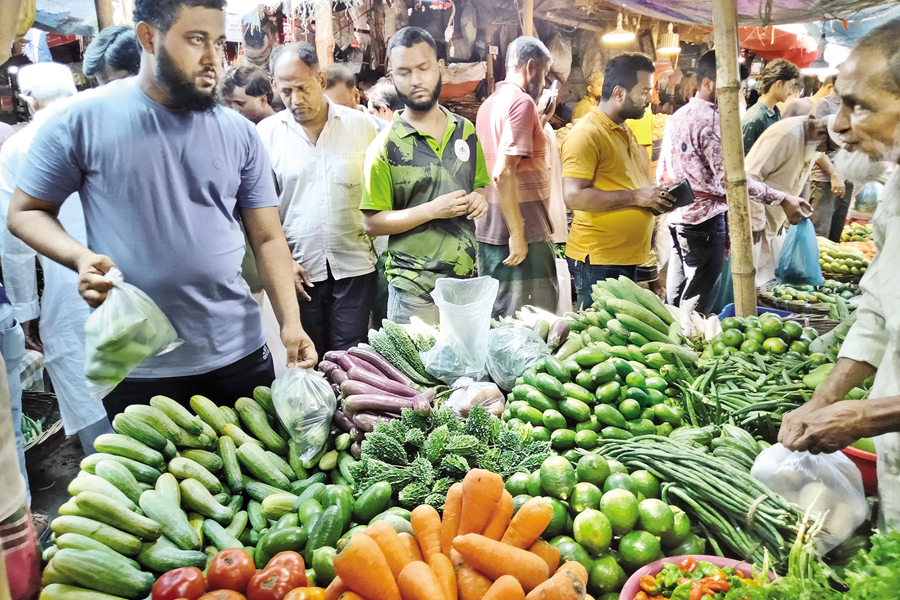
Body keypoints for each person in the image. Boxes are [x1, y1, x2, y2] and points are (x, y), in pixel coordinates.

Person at [7, 0, 316, 419]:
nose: (213, 59)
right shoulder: (80, 121)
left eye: (217, 42)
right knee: (153, 482)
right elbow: (25, 212)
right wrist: (78, 257)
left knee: (254, 478)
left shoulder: (241, 134)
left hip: (237, 352)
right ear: (148, 37)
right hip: (138, 361)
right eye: (195, 40)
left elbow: (267, 237)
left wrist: (290, 323)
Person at [778, 18, 900, 532]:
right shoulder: (895, 195)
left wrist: (866, 417)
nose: (839, 125)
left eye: (861, 105)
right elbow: (876, 312)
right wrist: (825, 399)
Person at [0, 63, 113, 456]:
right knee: (155, 409)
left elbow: (13, 243)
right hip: (132, 287)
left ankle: (111, 491)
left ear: (28, 99)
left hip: (69, 299)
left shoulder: (15, 148)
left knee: (91, 403)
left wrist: (25, 312)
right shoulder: (106, 130)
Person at [657, 51, 809, 315]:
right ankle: (689, 346)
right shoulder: (713, 123)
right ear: (707, 84)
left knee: (678, 296)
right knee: (698, 303)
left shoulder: (678, 116)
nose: (736, 95)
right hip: (705, 223)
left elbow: (663, 173)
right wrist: (782, 198)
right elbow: (733, 181)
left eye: (737, 90)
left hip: (678, 218)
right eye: (731, 89)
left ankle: (672, 338)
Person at [360, 27, 489, 324]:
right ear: (393, 77)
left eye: (424, 68)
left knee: (468, 369)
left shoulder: (465, 130)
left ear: (440, 68)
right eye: (404, 72)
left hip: (465, 283)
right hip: (413, 291)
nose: (416, 80)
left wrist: (478, 200)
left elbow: (480, 188)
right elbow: (371, 222)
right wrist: (432, 210)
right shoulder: (385, 146)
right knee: (417, 372)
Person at [258, 43, 377, 357]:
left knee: (352, 362)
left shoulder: (362, 127)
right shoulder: (265, 136)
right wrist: (284, 263)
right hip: (300, 272)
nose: (295, 100)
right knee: (311, 361)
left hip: (354, 268)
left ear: (321, 81)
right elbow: (259, 212)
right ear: (274, 86)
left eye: (303, 88)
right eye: (286, 91)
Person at [560, 53, 676, 310]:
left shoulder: (624, 130)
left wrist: (655, 199)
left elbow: (631, 187)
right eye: (644, 91)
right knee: (600, 338)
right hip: (600, 261)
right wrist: (636, 197)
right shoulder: (587, 134)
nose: (649, 99)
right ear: (619, 93)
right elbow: (573, 196)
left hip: (628, 258)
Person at [475, 36, 558, 318]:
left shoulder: (490, 104)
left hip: (491, 231)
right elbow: (502, 172)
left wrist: (540, 122)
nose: (544, 84)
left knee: (500, 318)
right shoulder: (521, 103)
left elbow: (516, 158)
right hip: (522, 234)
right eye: (544, 74)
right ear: (531, 67)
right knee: (533, 323)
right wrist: (518, 233)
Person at [745, 116, 822, 286]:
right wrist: (757, 225)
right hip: (755, 223)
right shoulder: (788, 136)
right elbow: (749, 178)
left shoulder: (810, 143)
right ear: (821, 134)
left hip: (774, 223)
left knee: (765, 281)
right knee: (748, 279)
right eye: (828, 147)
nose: (826, 152)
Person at [808, 80, 853, 241]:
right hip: (826, 180)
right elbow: (814, 145)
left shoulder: (851, 105)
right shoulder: (824, 104)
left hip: (847, 178)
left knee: (835, 235)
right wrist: (834, 174)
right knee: (820, 235)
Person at [741, 59, 800, 154]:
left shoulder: (775, 112)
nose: (790, 92)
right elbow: (744, 159)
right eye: (790, 86)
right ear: (779, 84)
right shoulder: (755, 118)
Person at [324, 63, 388, 132]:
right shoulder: (322, 135)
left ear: (356, 96)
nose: (333, 113)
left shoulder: (383, 132)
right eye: (326, 109)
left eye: (341, 108)